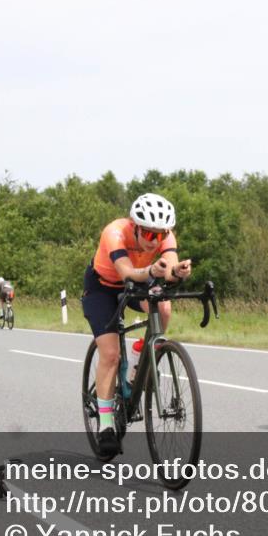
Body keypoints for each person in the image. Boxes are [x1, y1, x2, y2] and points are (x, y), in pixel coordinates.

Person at [82, 193, 192, 457]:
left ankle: (137, 361)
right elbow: (128, 273)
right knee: (109, 354)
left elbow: (167, 269)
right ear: (135, 226)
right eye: (149, 235)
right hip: (104, 289)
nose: (155, 241)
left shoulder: (166, 237)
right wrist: (154, 271)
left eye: (161, 235)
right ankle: (107, 425)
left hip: (141, 283)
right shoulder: (115, 233)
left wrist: (176, 272)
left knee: (163, 307)